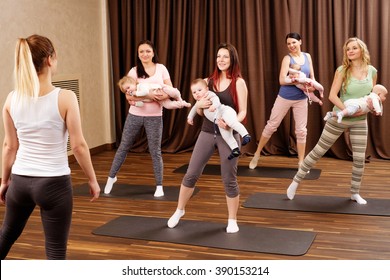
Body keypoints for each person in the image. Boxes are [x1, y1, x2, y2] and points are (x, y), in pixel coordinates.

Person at [0, 34, 100, 260]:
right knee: (55, 251)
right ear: (49, 59)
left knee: (6, 235)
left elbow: (9, 146)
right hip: (54, 184)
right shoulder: (66, 97)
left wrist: (5, 182)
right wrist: (92, 180)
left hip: (20, 182)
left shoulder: (11, 98)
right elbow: (79, 146)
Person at [167, 43, 248, 233]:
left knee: (229, 178)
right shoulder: (206, 82)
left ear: (232, 59)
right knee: (191, 173)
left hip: (228, 134)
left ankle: (232, 219)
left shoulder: (239, 82)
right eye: (218, 56)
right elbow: (200, 111)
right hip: (206, 133)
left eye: (225, 57)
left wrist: (230, 123)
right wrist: (201, 107)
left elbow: (243, 111)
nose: (221, 60)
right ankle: (179, 210)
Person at [287, 37, 378, 205]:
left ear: (362, 50)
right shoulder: (342, 70)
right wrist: (346, 110)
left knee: (359, 158)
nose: (350, 51)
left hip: (360, 120)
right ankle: (295, 182)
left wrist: (373, 107)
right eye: (348, 49)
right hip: (339, 117)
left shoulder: (372, 71)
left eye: (354, 48)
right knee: (317, 152)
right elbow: (332, 95)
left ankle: (355, 192)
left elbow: (371, 96)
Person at [104, 40, 174, 197]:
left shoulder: (161, 69)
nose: (145, 54)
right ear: (138, 54)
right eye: (141, 51)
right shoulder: (134, 71)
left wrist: (156, 96)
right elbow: (129, 95)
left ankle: (159, 185)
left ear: (153, 52)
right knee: (123, 147)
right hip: (135, 115)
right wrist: (150, 95)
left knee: (155, 151)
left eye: (148, 51)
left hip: (155, 117)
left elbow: (169, 91)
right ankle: (111, 177)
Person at [249, 33, 317, 170]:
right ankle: (256, 155)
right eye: (288, 44)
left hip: (302, 99)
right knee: (271, 125)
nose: (291, 46)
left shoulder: (307, 56)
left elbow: (312, 77)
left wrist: (311, 85)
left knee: (301, 131)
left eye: (294, 42)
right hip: (285, 97)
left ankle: (301, 163)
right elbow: (281, 80)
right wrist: (297, 81)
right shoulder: (287, 59)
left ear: (300, 42)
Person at [188, 78, 250, 159]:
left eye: (199, 90)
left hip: (225, 112)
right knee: (226, 135)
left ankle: (246, 135)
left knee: (232, 123)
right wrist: (190, 117)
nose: (197, 93)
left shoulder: (209, 94)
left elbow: (216, 100)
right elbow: (194, 108)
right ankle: (235, 149)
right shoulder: (199, 101)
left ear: (207, 89)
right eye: (194, 92)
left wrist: (214, 106)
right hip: (219, 121)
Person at [117, 75, 191, 109]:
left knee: (173, 92)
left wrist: (135, 94)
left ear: (134, 83)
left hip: (161, 89)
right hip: (158, 100)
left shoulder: (140, 86)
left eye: (128, 88)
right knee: (168, 106)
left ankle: (178, 96)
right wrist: (135, 104)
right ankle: (182, 103)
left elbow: (145, 92)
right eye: (125, 91)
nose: (128, 91)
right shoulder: (136, 95)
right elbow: (142, 104)